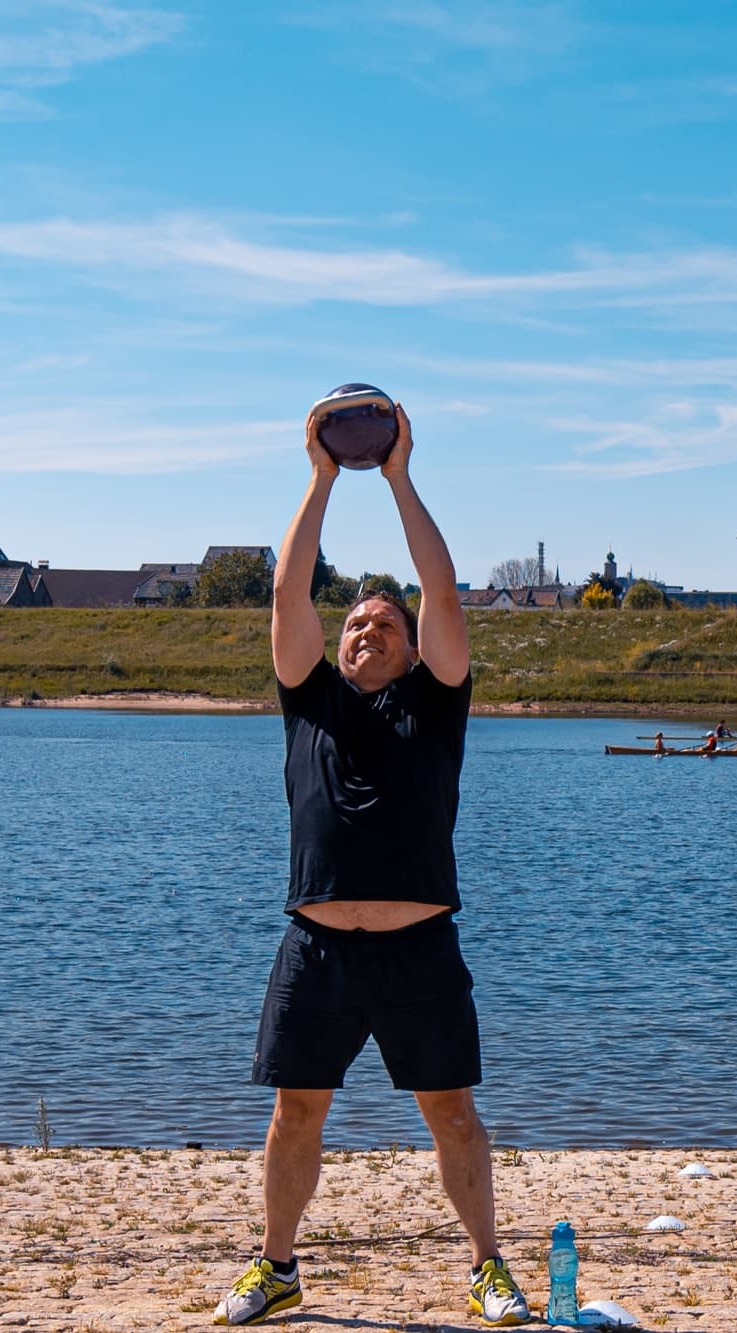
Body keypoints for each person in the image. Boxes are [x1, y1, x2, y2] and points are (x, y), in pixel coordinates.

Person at [213, 399, 530, 1328]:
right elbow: (287, 592)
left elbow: (440, 588)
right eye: (356, 624)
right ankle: (276, 1266)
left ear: (411, 643)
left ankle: (487, 1268)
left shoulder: (436, 703)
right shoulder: (309, 700)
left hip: (418, 947)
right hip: (316, 947)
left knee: (454, 1117)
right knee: (295, 1114)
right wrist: (318, 476)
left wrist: (395, 475)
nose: (367, 631)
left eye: (385, 624)